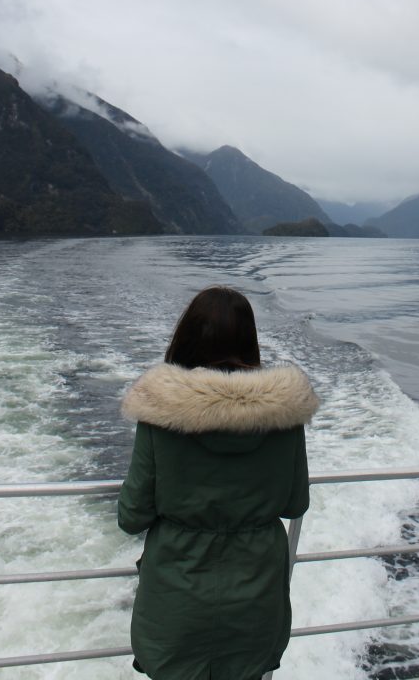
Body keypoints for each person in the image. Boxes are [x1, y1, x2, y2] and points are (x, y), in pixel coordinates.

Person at [118, 286, 319, 680]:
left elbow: (132, 514)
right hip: (255, 602)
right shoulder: (284, 416)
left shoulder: (161, 413)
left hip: (177, 603)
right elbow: (295, 503)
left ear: (187, 337)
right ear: (250, 340)